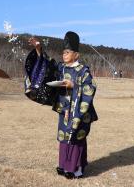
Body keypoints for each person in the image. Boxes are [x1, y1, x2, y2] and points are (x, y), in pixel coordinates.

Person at [26, 31, 98, 179]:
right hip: (64, 109)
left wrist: (73, 85)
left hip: (79, 112)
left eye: (67, 52)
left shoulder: (83, 71)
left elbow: (90, 88)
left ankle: (76, 168)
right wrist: (39, 49)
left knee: (76, 137)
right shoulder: (61, 68)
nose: (64, 55)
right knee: (64, 137)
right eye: (63, 52)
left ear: (76, 55)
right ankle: (65, 165)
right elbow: (46, 67)